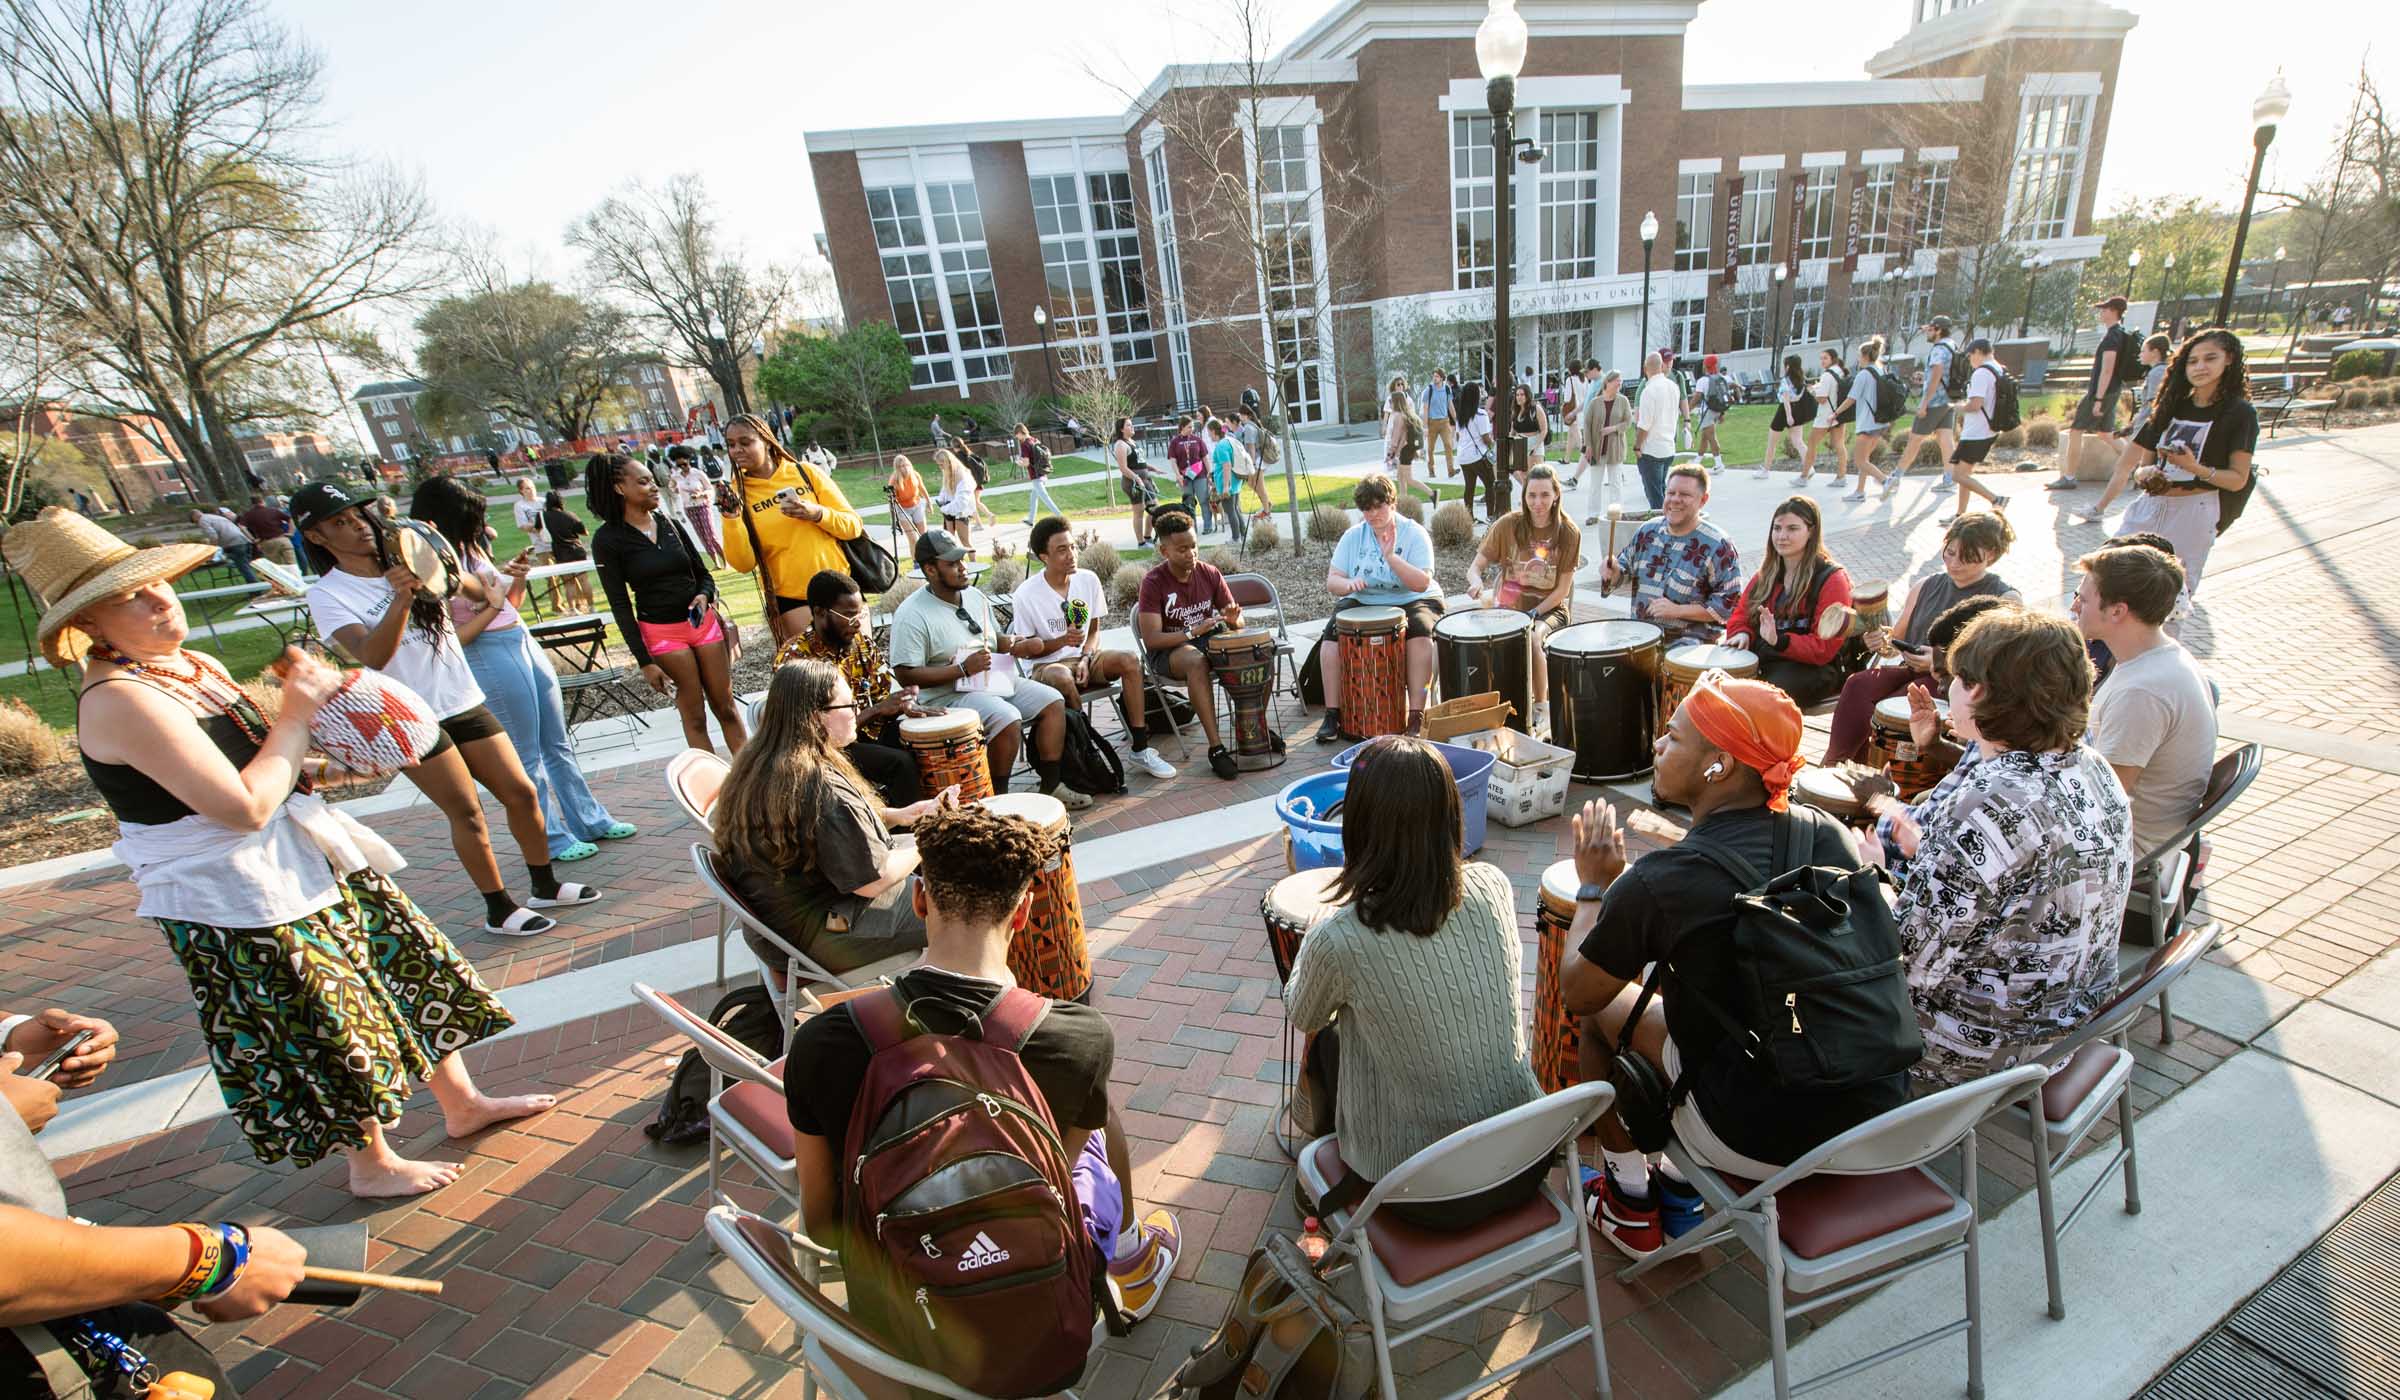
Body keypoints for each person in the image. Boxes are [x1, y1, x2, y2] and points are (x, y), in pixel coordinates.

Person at [5, 509, 552, 1198]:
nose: (157, 599)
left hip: (299, 851)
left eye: (155, 584)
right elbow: (240, 807)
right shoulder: (119, 699)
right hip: (231, 890)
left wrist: (334, 758)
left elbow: (269, 764)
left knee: (399, 971)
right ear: (89, 625)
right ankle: (371, 1164)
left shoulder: (187, 666)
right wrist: (295, 710)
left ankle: (462, 1103)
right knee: (322, 1018)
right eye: (126, 598)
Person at [781, 804, 1183, 1338]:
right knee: (1100, 1115)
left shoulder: (821, 1043)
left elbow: (826, 1227)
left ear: (920, 900)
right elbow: (1055, 1187)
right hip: (1034, 1307)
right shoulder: (1078, 1038)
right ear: (1022, 913)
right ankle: (1130, 1260)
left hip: (898, 1320)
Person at [1558, 672, 1913, 1257]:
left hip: (1764, 1134)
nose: (1656, 746)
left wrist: (1595, 888)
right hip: (1874, 1113)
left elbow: (1578, 992)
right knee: (1702, 995)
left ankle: (1628, 1203)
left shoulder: (1663, 882)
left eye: (1671, 739)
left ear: (1717, 765)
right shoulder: (1827, 833)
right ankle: (1679, 1191)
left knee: (1603, 1016)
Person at [293, 481, 598, 937]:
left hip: (463, 698)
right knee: (467, 812)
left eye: (359, 514)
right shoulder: (329, 593)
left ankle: (544, 884)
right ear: (317, 537)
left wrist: (445, 560)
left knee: (521, 793)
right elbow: (371, 655)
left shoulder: (403, 552)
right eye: (339, 522)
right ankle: (498, 908)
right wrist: (401, 598)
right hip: (407, 717)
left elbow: (475, 592)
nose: (357, 525)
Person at [1287, 737, 1543, 1226]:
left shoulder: (1341, 935)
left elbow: (1302, 1012)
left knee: (1327, 1042)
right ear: (1449, 814)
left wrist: (1320, 928)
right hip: (1523, 1158)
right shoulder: (1493, 884)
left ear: (1358, 825)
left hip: (1422, 1195)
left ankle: (1328, 1169)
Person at [1892, 607, 2133, 1088]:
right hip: (2067, 1028)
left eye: (1957, 679)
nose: (1948, 690)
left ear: (1979, 690)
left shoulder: (1988, 800)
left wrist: (1872, 880)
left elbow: (1907, 967)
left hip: (1980, 1049)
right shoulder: (2092, 766)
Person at [412, 476, 635, 866]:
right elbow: (451, 636)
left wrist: (513, 577)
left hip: (520, 639)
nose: (481, 525)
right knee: (526, 754)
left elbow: (507, 602)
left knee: (557, 741)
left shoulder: (469, 549)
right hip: (488, 653)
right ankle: (550, 837)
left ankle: (589, 818)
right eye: (472, 517)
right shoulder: (430, 565)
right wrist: (494, 606)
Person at [711, 659, 946, 984]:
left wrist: (899, 816)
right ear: (815, 716)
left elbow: (822, 831)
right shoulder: (817, 785)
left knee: (948, 879)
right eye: (849, 704)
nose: (857, 711)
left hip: (789, 922)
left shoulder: (768, 760)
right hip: (823, 931)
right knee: (974, 908)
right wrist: (926, 838)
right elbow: (873, 880)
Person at [890, 529, 1093, 811]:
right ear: (930, 569)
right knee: (1008, 717)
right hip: (948, 695)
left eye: (962, 560)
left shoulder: (973, 596)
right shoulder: (912, 614)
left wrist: (1020, 644)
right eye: (952, 564)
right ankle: (1000, 799)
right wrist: (961, 669)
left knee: (1052, 701)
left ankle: (1051, 785)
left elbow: (996, 641)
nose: (963, 568)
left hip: (993, 679)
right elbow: (905, 674)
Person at [1822, 510, 2020, 762]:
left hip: (1953, 681)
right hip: (1911, 668)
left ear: (1990, 555)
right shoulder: (1926, 585)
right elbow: (1896, 641)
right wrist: (1882, 642)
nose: (1954, 564)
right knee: (1858, 683)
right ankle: (1834, 761)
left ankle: (1869, 765)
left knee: (1899, 699)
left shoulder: (2005, 599)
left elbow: (1999, 666)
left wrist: (1941, 662)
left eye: (1967, 558)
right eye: (1950, 553)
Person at [588, 452, 748, 755]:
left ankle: (751, 782)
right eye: (644, 482)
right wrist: (644, 661)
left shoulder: (671, 524)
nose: (654, 487)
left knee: (726, 707)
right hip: (663, 635)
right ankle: (711, 793)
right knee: (695, 717)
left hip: (703, 627)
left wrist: (705, 594)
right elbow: (620, 606)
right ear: (619, 488)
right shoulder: (607, 540)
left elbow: (703, 574)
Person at [2071, 544, 2216, 858]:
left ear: (2117, 611)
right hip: (2139, 830)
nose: (2074, 607)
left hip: (2124, 846)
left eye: (2083, 599)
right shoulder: (2162, 656)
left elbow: (2103, 797)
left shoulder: (2142, 692)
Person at [2087, 329, 2257, 595]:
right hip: (2152, 504)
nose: (2200, 367)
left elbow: (2238, 479)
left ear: (2229, 359)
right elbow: (2142, 465)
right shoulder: (2172, 405)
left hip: (2194, 509)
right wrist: (2145, 474)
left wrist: (2194, 468)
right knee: (2102, 578)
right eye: (2192, 360)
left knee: (2168, 598)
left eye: (2210, 358)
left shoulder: (2239, 413)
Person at [1012, 517, 1177, 779]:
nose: (1071, 555)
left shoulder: (1088, 580)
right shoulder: (1025, 594)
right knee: (1062, 677)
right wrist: (1061, 642)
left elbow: (1094, 630)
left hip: (1086, 657)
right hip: (1047, 666)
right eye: (1062, 550)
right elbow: (1024, 650)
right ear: (1044, 556)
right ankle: (1088, 748)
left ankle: (1140, 748)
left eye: (1073, 547)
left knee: (1129, 660)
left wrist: (1086, 658)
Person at [776, 570, 930, 805]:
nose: (858, 623)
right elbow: (808, 734)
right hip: (827, 748)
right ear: (819, 612)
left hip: (868, 733)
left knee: (929, 744)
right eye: (849, 616)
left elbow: (881, 697)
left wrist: (903, 705)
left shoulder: (862, 645)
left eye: (860, 614)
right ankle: (902, 831)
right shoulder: (796, 660)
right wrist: (877, 710)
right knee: (901, 764)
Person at [1313, 473, 1443, 743]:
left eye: (1378, 506)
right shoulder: (1353, 536)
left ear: (1392, 503)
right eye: (1366, 508)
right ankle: (1332, 714)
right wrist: (1348, 584)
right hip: (1365, 599)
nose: (1372, 514)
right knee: (1331, 637)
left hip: (1413, 598)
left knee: (1420, 633)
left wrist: (1391, 557)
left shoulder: (1414, 533)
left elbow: (1421, 582)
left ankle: (1417, 714)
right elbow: (1332, 581)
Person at [719, 410, 865, 647]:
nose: (737, 450)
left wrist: (816, 513)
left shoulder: (805, 473)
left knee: (860, 669)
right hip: (793, 599)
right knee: (818, 677)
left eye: (745, 442)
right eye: (731, 444)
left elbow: (853, 527)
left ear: (766, 441)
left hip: (842, 592)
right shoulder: (737, 493)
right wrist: (731, 517)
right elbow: (743, 563)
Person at [1466, 463, 1579, 730]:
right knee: (1464, 638)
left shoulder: (1568, 532)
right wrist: (1475, 582)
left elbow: (1562, 590)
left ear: (1556, 496)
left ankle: (1542, 708)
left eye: (1544, 495)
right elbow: (1476, 566)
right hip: (1508, 608)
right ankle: (1483, 704)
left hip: (1549, 610)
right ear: (1524, 496)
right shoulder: (1508, 525)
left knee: (1533, 636)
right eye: (1532, 495)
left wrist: (1533, 614)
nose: (1538, 502)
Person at [1134, 509, 1244, 780]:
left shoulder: (1209, 573)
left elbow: (1237, 623)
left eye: (1193, 546)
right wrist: (1192, 631)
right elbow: (1152, 638)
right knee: (1197, 661)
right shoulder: (1153, 583)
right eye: (1182, 549)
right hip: (1169, 650)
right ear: (1164, 551)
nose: (1191, 553)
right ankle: (1216, 748)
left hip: (1206, 639)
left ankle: (1251, 728)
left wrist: (1233, 620)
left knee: (1253, 651)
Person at [1721, 494, 1853, 706]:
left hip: (1814, 669)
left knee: (1759, 699)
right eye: (1777, 528)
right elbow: (1740, 616)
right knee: (1715, 686)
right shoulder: (1766, 574)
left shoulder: (1832, 579)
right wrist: (1742, 633)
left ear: (1811, 532)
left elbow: (1824, 648)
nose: (1782, 536)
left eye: (1792, 529)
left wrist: (1779, 641)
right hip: (1769, 659)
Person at [1601, 463, 1742, 646]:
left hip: (1692, 644)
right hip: (1643, 636)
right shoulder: (1647, 531)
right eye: (1671, 493)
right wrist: (1612, 572)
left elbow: (1728, 606)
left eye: (1684, 494)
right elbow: (1622, 570)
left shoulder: (1719, 545)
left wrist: (1678, 610)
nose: (1675, 500)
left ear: (1703, 500)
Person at [2077, 333, 2175, 525]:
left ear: (2155, 352)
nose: (2140, 354)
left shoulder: (2157, 373)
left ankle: (2098, 509)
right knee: (2138, 470)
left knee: (2123, 468)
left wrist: (2135, 425)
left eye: (2144, 350)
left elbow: (2154, 405)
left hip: (2146, 431)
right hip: (2147, 429)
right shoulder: (2162, 371)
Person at [2054, 295, 2133, 491]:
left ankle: (2069, 477)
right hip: (2112, 391)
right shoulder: (2119, 334)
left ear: (2114, 310)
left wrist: (2098, 399)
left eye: (2104, 309)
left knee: (2075, 431)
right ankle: (2135, 464)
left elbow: (2107, 369)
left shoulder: (2112, 337)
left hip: (2101, 392)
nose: (2101, 312)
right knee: (2106, 433)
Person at [1942, 338, 2010, 523]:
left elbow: (1975, 404)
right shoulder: (1998, 368)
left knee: (1958, 475)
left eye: (1970, 355)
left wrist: (1957, 407)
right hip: (1988, 430)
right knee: (1965, 475)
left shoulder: (1981, 373)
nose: (1970, 359)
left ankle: (1996, 499)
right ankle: (1960, 514)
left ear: (1979, 352)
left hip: (1976, 432)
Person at [1892, 316, 1961, 486]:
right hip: (1949, 399)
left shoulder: (1938, 349)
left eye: (1930, 330)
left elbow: (1935, 376)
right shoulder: (1951, 344)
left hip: (1934, 402)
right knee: (1946, 440)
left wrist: (1924, 403)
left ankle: (1894, 478)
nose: (1927, 333)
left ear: (1938, 330)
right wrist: (1926, 327)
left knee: (1914, 440)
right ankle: (1950, 477)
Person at [1833, 337, 1898, 501]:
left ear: (1865, 356)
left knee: (1860, 460)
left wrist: (1835, 413)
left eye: (1859, 355)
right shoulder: (1881, 370)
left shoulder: (1863, 374)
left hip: (1867, 422)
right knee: (1865, 459)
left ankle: (1886, 480)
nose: (1858, 359)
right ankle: (1860, 492)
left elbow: (1851, 399)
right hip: (1880, 421)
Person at [1578, 368, 1631, 523]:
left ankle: (1615, 513)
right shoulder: (1595, 403)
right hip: (1596, 448)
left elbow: (1628, 421)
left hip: (1615, 448)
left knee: (1615, 483)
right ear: (1607, 382)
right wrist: (1588, 445)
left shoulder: (1623, 401)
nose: (1618, 385)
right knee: (1595, 483)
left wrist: (1613, 429)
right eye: (1616, 382)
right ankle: (1593, 514)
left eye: (1620, 382)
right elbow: (1587, 425)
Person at [1632, 351, 1680, 510]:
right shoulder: (1673, 387)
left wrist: (1637, 446)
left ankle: (1662, 526)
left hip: (1651, 449)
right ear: (1661, 366)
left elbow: (1644, 424)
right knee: (1662, 490)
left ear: (1646, 368)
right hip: (1668, 446)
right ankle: (1667, 521)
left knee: (1655, 496)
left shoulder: (1649, 391)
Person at [1756, 354, 1813, 482]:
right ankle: (1809, 466)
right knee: (1798, 441)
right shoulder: (1802, 380)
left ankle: (1766, 470)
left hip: (1784, 412)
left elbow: (1786, 399)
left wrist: (1788, 416)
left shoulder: (1786, 380)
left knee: (1772, 442)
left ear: (1787, 366)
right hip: (1798, 410)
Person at [537, 489, 595, 613]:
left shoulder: (543, 516)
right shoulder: (569, 515)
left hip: (560, 552)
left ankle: (573, 608)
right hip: (576, 550)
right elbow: (584, 532)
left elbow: (538, 530)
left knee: (569, 583)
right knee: (584, 580)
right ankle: (591, 607)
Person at [669, 448, 727, 568]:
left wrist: (701, 494)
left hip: (702, 505)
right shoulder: (676, 476)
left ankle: (725, 562)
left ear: (689, 461)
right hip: (689, 508)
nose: (682, 467)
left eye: (684, 464)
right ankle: (716, 563)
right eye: (679, 465)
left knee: (710, 534)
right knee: (702, 536)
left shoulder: (698, 473)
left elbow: (710, 489)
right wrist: (675, 489)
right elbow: (672, 487)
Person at [1456, 380, 1505, 524]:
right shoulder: (1481, 415)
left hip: (1464, 456)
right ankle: (1491, 515)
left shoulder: (1461, 416)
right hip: (1478, 456)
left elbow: (1459, 436)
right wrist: (1493, 446)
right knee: (1490, 484)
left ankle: (1469, 517)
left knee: (1469, 487)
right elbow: (1485, 438)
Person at [1804, 346, 1850, 487]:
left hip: (1825, 416)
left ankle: (1804, 475)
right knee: (1839, 446)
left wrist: (1812, 391)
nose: (1822, 361)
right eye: (1821, 358)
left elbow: (1822, 398)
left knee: (1811, 443)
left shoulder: (1827, 375)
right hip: (1839, 414)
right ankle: (1841, 477)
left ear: (1832, 359)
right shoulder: (1840, 372)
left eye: (1825, 358)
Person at [1111, 418, 1156, 545]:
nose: (1132, 427)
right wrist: (1137, 478)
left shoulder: (1132, 442)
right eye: (1129, 425)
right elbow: (1123, 468)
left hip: (1145, 480)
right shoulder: (1120, 445)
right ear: (1121, 429)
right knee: (1139, 510)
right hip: (1132, 483)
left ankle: (1148, 537)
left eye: (1132, 425)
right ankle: (1141, 542)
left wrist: (1152, 468)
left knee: (1154, 508)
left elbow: (1140, 462)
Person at [1203, 417, 1249, 544]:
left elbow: (1227, 465)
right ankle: (1243, 535)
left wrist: (1225, 486)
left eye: (1208, 433)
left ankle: (1235, 538)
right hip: (1234, 481)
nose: (1208, 436)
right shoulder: (1228, 441)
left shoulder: (1221, 446)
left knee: (1230, 510)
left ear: (1213, 431)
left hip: (1228, 483)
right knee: (1235, 509)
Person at [1504, 381, 1546, 511]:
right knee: (1522, 474)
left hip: (1534, 442)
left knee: (1535, 474)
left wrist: (1536, 446)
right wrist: (1509, 444)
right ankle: (1527, 498)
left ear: (1527, 395)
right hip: (1519, 442)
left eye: (1522, 394)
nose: (1519, 397)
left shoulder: (1535, 409)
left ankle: (1537, 500)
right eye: (1517, 395)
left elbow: (1544, 429)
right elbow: (1513, 430)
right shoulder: (1515, 411)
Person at [1013, 422, 1066, 524]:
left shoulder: (1025, 444)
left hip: (1035, 475)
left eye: (1016, 434)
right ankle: (1030, 520)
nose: (1016, 437)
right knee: (1033, 497)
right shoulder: (1034, 440)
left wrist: (1019, 463)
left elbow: (1027, 463)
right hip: (1042, 472)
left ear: (1020, 432)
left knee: (1045, 498)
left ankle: (1061, 517)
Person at [1685, 353, 1728, 471]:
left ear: (1706, 366)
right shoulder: (1720, 378)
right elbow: (1722, 396)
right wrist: (1722, 413)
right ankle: (1697, 461)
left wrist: (1687, 410)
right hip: (1716, 410)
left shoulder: (1703, 380)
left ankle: (1719, 464)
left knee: (1711, 437)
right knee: (1705, 437)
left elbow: (1697, 396)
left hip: (1707, 412)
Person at [190, 508, 256, 585]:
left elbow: (213, 536)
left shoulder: (202, 520)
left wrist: (211, 550)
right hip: (244, 540)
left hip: (234, 544)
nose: (197, 524)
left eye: (195, 522)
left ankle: (256, 590)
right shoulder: (215, 517)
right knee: (247, 566)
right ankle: (261, 584)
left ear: (195, 517)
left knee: (244, 568)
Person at [932, 446, 979, 550]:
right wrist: (941, 500)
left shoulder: (962, 475)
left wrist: (945, 508)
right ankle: (957, 564)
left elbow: (961, 502)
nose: (941, 467)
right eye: (938, 465)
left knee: (965, 542)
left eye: (942, 464)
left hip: (961, 512)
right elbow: (945, 490)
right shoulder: (947, 473)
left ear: (948, 461)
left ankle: (974, 564)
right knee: (950, 541)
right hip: (950, 510)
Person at [885, 451, 928, 553]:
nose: (904, 468)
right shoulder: (894, 479)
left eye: (906, 465)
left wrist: (928, 502)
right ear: (897, 468)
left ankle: (926, 558)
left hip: (916, 505)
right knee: (913, 538)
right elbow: (891, 500)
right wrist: (893, 518)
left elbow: (922, 488)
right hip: (902, 509)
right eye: (901, 466)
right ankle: (915, 562)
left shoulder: (915, 475)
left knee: (923, 536)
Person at [1167, 415, 1207, 519]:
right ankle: (1192, 526)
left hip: (1200, 475)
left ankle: (1208, 526)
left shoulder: (1197, 440)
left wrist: (1210, 473)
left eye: (1192, 427)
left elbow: (1205, 458)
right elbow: (1173, 461)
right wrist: (1178, 475)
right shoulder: (1175, 442)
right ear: (1182, 427)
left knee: (1203, 500)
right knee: (1188, 503)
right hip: (1184, 477)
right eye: (1189, 427)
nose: (1192, 429)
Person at [236, 494, 294, 567]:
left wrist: (253, 539)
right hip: (282, 538)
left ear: (252, 504)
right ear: (262, 501)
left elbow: (241, 526)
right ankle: (296, 577)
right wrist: (290, 532)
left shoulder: (249, 514)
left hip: (266, 542)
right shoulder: (273, 510)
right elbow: (290, 519)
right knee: (292, 564)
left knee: (277, 567)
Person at [1422, 368, 1457, 477]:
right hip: (1432, 422)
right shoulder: (1429, 390)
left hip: (1444, 421)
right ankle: (1431, 470)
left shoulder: (1447, 389)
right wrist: (1425, 427)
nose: (1434, 378)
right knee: (1431, 448)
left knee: (1448, 445)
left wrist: (1456, 420)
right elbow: (1425, 409)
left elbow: (1450, 405)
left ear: (1442, 378)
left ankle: (1451, 470)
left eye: (1437, 376)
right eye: (1434, 376)